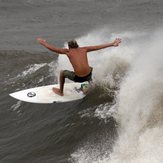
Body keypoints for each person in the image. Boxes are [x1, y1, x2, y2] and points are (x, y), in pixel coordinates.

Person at [37, 37, 122, 96]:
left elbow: (54, 49)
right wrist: (112, 44)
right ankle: (87, 84)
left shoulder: (68, 52)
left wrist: (44, 43)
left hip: (79, 78)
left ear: (69, 47)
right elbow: (97, 47)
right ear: (77, 45)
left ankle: (60, 91)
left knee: (62, 73)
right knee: (90, 68)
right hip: (88, 75)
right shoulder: (84, 49)